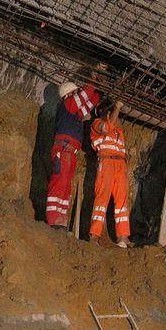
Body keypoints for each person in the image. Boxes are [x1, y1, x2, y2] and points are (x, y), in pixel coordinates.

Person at [45, 68, 101, 229]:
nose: (78, 95)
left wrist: (98, 88)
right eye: (76, 92)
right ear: (69, 94)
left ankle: (60, 221)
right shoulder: (67, 105)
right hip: (62, 151)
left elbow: (92, 100)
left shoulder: (75, 112)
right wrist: (93, 79)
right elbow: (85, 94)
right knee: (59, 184)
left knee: (66, 186)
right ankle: (52, 221)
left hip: (70, 152)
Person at [89, 99, 131, 248]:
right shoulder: (96, 124)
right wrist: (118, 107)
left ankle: (123, 237)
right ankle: (94, 236)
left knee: (122, 202)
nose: (113, 114)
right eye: (110, 111)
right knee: (102, 199)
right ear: (103, 112)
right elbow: (106, 127)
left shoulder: (118, 130)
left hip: (120, 165)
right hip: (106, 163)